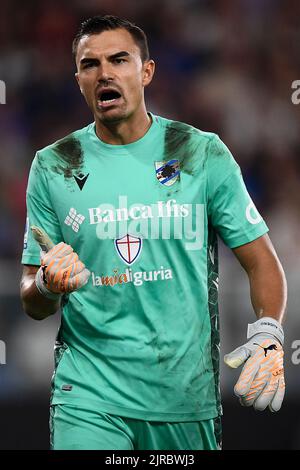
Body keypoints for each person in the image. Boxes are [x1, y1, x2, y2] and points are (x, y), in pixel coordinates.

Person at [20, 15, 287, 451]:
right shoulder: (54, 165)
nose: (104, 72)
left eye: (119, 59)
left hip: (184, 399)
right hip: (89, 396)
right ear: (79, 81)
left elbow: (262, 262)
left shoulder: (200, 153)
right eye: (90, 65)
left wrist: (269, 334)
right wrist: (47, 283)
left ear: (146, 72)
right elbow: (31, 296)